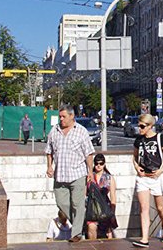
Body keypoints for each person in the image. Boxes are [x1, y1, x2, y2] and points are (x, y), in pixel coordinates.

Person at [45, 104, 94, 243]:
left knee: (77, 204)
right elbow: (49, 151)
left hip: (77, 174)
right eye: (60, 116)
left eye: (64, 117)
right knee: (61, 202)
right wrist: (49, 166)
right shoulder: (54, 131)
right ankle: (80, 223)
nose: (61, 119)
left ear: (72, 116)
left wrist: (90, 171)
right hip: (60, 175)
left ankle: (76, 233)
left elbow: (89, 153)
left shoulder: (81, 131)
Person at [132, 113, 163, 248]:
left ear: (150, 126)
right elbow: (134, 156)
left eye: (142, 126)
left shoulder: (160, 138)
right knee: (144, 209)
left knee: (160, 207)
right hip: (143, 177)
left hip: (157, 177)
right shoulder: (139, 140)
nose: (140, 129)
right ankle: (144, 239)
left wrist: (161, 170)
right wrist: (137, 168)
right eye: (139, 126)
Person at [86, 153, 117, 239]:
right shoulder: (89, 177)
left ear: (104, 164)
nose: (98, 166)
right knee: (91, 227)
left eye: (101, 163)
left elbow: (113, 198)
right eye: (96, 163)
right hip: (92, 208)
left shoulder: (109, 178)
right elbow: (84, 194)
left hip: (105, 208)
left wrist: (112, 214)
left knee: (108, 233)